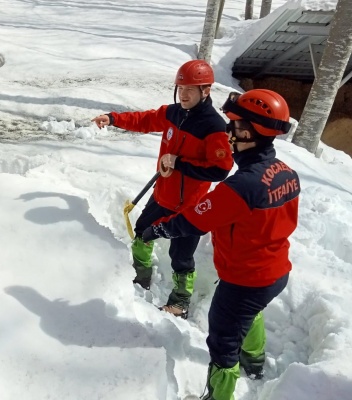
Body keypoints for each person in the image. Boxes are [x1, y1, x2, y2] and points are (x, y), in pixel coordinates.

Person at [141, 89, 299, 400]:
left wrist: (156, 229)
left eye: (234, 127)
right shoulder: (285, 172)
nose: (227, 133)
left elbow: (192, 221)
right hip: (276, 272)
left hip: (244, 279)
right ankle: (253, 362)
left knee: (223, 342)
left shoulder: (241, 186)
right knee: (250, 314)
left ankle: (219, 395)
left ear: (250, 132)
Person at [92, 60, 233, 318]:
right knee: (141, 236)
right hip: (162, 195)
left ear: (206, 91)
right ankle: (139, 278)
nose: (184, 94)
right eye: (181, 88)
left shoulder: (214, 127)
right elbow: (145, 119)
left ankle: (180, 302)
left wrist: (180, 163)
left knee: (182, 258)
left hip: (190, 208)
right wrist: (112, 118)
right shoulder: (174, 113)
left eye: (191, 89)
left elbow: (220, 169)